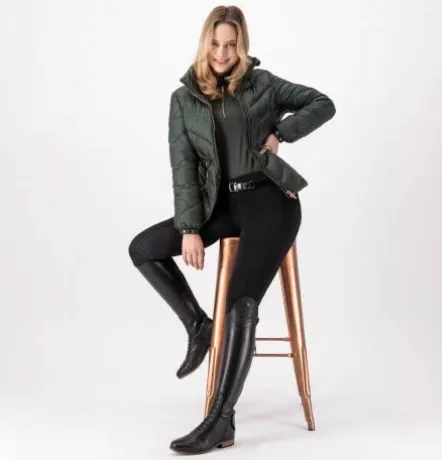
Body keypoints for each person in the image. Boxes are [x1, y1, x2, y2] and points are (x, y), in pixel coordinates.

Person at [128, 5, 336, 455]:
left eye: (231, 45)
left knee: (240, 302)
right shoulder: (183, 99)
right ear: (204, 43)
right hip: (220, 206)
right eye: (215, 44)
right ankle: (199, 328)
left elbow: (323, 103)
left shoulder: (262, 83)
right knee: (144, 248)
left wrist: (282, 133)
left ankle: (221, 420)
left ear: (242, 46)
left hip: (270, 201)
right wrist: (190, 228)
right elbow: (184, 169)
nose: (222, 53)